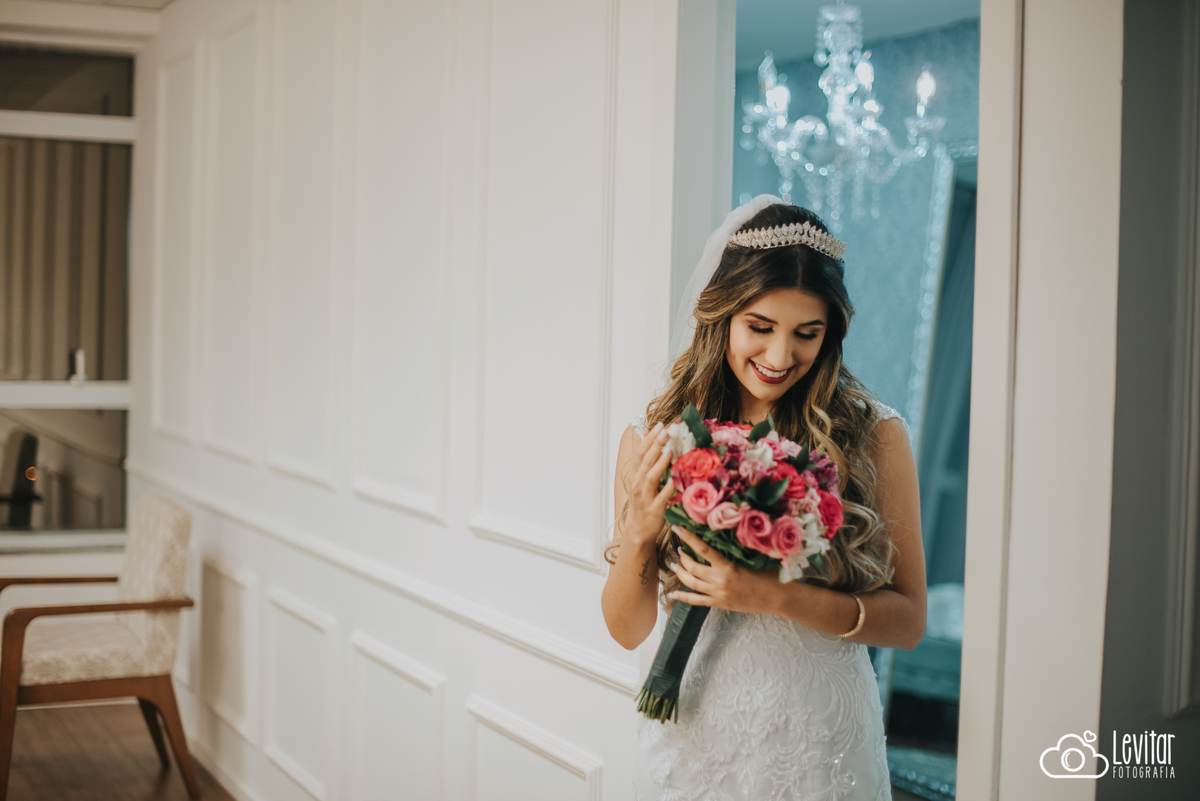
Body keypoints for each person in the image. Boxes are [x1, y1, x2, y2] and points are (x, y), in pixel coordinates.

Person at [600, 196, 927, 800]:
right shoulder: (656, 436)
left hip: (819, 736)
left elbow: (907, 623)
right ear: (721, 314)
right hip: (696, 730)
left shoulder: (873, 435)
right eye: (760, 327)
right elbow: (626, 629)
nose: (781, 358)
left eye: (807, 333)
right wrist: (643, 529)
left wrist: (770, 596)